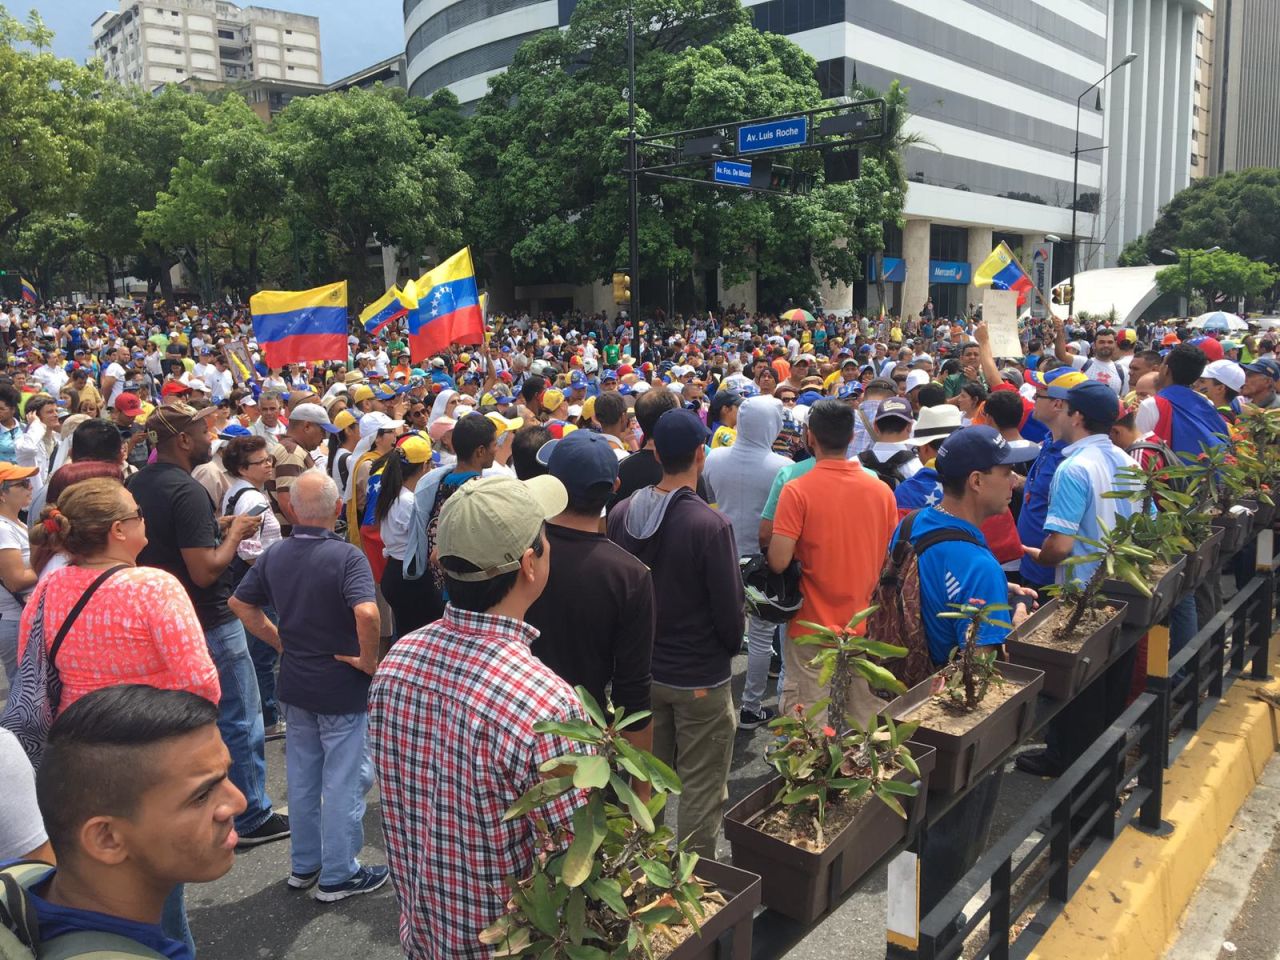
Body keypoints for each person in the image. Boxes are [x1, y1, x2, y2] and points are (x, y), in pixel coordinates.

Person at [370, 474, 585, 959]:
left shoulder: (399, 661)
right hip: (509, 943)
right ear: (530, 563)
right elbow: (576, 854)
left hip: (426, 932)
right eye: (543, 538)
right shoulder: (545, 704)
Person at [126, 401, 290, 848]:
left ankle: (203, 804)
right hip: (210, 618)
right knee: (240, 718)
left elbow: (166, 540)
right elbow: (204, 569)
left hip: (166, 619)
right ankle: (253, 816)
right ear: (182, 440)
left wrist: (216, 524)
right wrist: (235, 533)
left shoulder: (138, 483)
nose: (208, 441)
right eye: (203, 433)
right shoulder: (185, 489)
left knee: (194, 721)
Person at [893, 425, 1033, 924]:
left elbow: (927, 601)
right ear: (977, 480)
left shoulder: (912, 525)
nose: (1015, 481)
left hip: (906, 708)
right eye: (1006, 471)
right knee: (951, 854)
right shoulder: (978, 565)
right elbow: (980, 669)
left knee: (910, 849)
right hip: (955, 729)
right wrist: (1012, 618)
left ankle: (903, 939)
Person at [229, 470, 386, 901]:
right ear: (337, 510)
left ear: (292, 509)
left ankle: (305, 864)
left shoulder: (275, 554)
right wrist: (367, 660)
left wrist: (280, 642)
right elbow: (368, 614)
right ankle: (338, 873)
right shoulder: (346, 557)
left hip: (296, 682)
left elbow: (240, 604)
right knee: (343, 779)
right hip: (339, 683)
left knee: (302, 777)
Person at [6, 686, 246, 960]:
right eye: (202, 796)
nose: (238, 803)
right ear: (107, 838)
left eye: (226, 775)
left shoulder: (15, 877)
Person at [608, 408, 743, 860]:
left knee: (645, 779)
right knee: (702, 788)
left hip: (642, 674)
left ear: (654, 452)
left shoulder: (623, 513)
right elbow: (730, 611)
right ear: (700, 455)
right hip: (699, 674)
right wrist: (724, 652)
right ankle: (693, 882)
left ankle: (643, 873)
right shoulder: (709, 524)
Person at [767, 398, 898, 728]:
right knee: (862, 722)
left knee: (808, 726)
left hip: (811, 626)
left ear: (810, 437)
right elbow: (888, 559)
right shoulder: (881, 490)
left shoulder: (797, 490)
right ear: (851, 437)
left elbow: (779, 561)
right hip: (863, 625)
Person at [525, 430, 655, 751]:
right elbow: (633, 692)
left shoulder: (522, 553)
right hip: (587, 735)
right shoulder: (630, 574)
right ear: (615, 488)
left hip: (514, 719)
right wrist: (640, 788)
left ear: (552, 483)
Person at [702, 394, 790, 727]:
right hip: (761, 562)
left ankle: (711, 705)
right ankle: (751, 707)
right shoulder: (781, 467)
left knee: (716, 630)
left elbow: (711, 499)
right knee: (763, 636)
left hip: (720, 555)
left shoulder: (716, 458)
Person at [220, 434, 285, 732]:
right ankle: (269, 717)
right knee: (263, 651)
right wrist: (270, 578)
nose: (268, 464)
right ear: (243, 468)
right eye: (260, 462)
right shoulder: (253, 498)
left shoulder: (239, 490)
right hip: (256, 581)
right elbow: (248, 548)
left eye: (268, 458)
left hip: (246, 579)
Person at [375, 434, 436, 637]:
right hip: (411, 578)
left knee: (405, 634)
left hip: (396, 572)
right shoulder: (409, 501)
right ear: (425, 466)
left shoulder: (393, 493)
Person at [265, 402, 337, 536]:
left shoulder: (294, 449)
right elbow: (286, 500)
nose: (323, 438)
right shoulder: (291, 452)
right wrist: (310, 535)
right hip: (293, 536)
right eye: (322, 431)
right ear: (307, 426)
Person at [0, 462, 37, 683]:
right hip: (17, 621)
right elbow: (15, 581)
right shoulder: (3, 529)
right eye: (22, 484)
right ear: (2, 494)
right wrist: (49, 566)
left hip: (23, 619)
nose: (30, 487)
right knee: (23, 697)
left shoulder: (16, 524)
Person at [1054, 321, 1127, 395]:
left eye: (1110, 342)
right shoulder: (1083, 363)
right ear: (1094, 345)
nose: (1106, 345)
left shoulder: (1122, 372)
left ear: (1115, 345)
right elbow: (1061, 355)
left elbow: (1124, 399)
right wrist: (1060, 332)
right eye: (1102, 342)